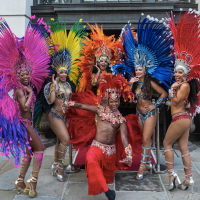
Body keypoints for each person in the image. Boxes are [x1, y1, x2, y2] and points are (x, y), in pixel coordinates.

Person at [113, 16, 174, 180]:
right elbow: (128, 98)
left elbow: (164, 93)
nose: (138, 71)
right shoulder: (133, 84)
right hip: (139, 114)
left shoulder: (150, 83)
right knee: (144, 140)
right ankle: (146, 162)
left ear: (145, 70)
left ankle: (143, 166)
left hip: (150, 114)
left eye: (140, 69)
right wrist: (128, 85)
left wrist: (156, 105)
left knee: (147, 138)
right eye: (137, 69)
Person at [63, 72, 141, 200]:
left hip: (110, 153)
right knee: (90, 159)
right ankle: (108, 193)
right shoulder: (99, 110)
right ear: (108, 101)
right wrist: (69, 103)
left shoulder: (121, 120)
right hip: (97, 147)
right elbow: (82, 106)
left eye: (117, 101)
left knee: (107, 178)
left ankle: (106, 186)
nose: (115, 104)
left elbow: (124, 139)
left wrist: (129, 154)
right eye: (112, 101)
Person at [0, 16, 50, 197]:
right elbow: (26, 108)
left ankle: (20, 180)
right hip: (25, 124)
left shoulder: (26, 87)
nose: (26, 77)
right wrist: (29, 94)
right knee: (40, 149)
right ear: (17, 77)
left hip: (28, 124)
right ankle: (33, 182)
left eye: (27, 74)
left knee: (29, 154)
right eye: (22, 75)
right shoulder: (21, 91)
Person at [44, 19, 86, 181]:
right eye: (61, 72)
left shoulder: (69, 84)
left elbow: (70, 99)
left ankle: (55, 164)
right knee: (66, 140)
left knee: (60, 140)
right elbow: (51, 100)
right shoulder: (52, 85)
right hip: (54, 114)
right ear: (57, 72)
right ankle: (60, 166)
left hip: (65, 116)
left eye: (65, 72)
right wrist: (53, 86)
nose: (63, 74)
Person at [163, 10, 200, 192]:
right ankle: (189, 179)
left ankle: (171, 175)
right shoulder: (182, 85)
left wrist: (171, 91)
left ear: (185, 73)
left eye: (180, 72)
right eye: (176, 72)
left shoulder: (184, 85)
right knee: (183, 147)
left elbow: (177, 102)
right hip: (184, 119)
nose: (177, 75)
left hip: (179, 118)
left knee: (166, 144)